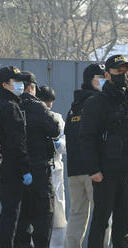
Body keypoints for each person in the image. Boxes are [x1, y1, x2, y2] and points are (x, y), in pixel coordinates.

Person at [80, 54, 128, 248]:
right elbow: (87, 137)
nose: (123, 74)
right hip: (105, 172)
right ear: (108, 75)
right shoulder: (97, 102)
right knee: (101, 222)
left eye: (125, 71)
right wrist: (93, 169)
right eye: (118, 71)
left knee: (123, 224)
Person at [65, 63, 111, 248]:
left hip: (74, 170)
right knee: (102, 214)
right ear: (89, 80)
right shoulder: (97, 103)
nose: (103, 81)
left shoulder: (74, 107)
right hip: (94, 170)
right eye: (99, 78)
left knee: (77, 213)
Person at [14, 72, 60, 248]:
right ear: (32, 88)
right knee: (43, 219)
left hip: (16, 172)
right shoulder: (38, 107)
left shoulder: (9, 105)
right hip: (40, 171)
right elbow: (54, 129)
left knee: (20, 220)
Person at [0, 66, 32, 248]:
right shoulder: (11, 107)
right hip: (10, 170)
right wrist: (25, 168)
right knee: (10, 216)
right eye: (16, 82)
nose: (21, 85)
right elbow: (17, 143)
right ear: (5, 84)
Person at [38, 86, 67, 248]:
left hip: (55, 168)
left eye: (50, 102)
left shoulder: (57, 118)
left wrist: (59, 144)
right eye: (46, 101)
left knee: (58, 214)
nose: (49, 105)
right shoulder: (34, 115)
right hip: (40, 168)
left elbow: (65, 142)